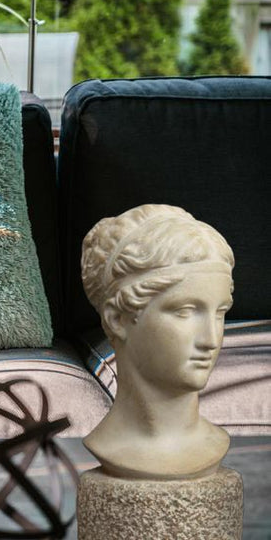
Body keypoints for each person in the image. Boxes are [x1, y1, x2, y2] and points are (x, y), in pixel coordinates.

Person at [80, 204, 234, 479]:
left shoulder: (216, 443)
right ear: (117, 319)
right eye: (185, 311)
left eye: (220, 313)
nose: (211, 340)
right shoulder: (110, 447)